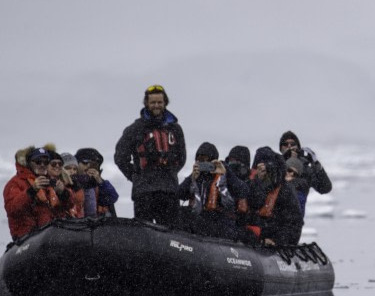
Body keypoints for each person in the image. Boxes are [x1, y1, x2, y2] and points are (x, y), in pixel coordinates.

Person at [114, 85, 186, 226]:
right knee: (143, 234)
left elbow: (181, 158)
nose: (156, 105)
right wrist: (135, 176)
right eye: (153, 102)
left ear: (165, 102)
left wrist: (169, 173)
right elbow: (120, 157)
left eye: (159, 102)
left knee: (173, 234)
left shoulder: (175, 129)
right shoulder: (134, 129)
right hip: (144, 192)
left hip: (169, 191)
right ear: (146, 103)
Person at [178, 142, 247, 239]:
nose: (203, 164)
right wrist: (192, 178)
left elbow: (243, 191)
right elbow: (179, 194)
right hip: (201, 219)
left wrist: (226, 173)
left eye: (206, 160)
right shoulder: (197, 176)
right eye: (199, 160)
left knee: (195, 220)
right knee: (181, 212)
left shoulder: (225, 174)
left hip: (221, 223)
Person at [3, 145, 72, 240]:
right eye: (38, 162)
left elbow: (68, 207)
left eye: (46, 162)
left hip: (50, 234)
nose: (42, 165)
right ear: (29, 163)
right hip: (26, 237)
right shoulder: (15, 183)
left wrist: (63, 193)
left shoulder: (52, 182)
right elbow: (12, 209)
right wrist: (31, 191)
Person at [244, 147, 304, 247]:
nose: (261, 171)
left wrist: (277, 241)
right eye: (258, 168)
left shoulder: (285, 190)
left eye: (264, 168)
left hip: (276, 238)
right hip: (256, 237)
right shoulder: (252, 184)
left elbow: (293, 223)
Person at [278, 131, 331, 215]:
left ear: (298, 147)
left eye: (292, 144)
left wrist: (316, 164)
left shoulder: (305, 168)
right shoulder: (276, 164)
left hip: (295, 220)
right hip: (274, 218)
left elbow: (325, 188)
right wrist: (284, 160)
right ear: (281, 149)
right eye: (285, 144)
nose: (289, 146)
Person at [75, 148, 119, 217]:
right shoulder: (71, 181)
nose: (88, 166)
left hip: (97, 224)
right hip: (75, 224)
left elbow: (112, 197)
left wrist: (100, 181)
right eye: (85, 162)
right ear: (77, 163)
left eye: (93, 164)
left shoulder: (98, 183)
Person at [60, 152, 86, 218]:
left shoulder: (77, 186)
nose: (72, 171)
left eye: (75, 169)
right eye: (68, 168)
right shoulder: (57, 185)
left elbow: (79, 209)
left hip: (77, 223)